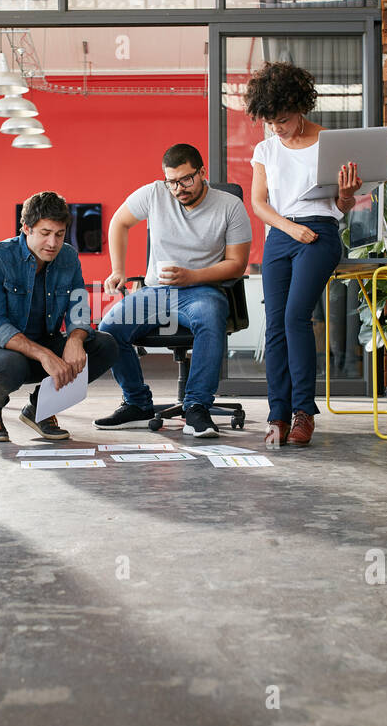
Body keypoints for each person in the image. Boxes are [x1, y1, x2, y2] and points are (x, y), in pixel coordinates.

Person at [94, 144, 252, 438]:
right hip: (156, 291)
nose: (178, 189)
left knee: (210, 317)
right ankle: (138, 404)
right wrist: (117, 269)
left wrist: (192, 276)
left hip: (202, 289)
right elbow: (119, 222)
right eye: (172, 182)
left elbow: (237, 265)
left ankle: (196, 408)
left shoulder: (230, 206)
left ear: (202, 172)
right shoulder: (155, 193)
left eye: (185, 180)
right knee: (109, 328)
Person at [247, 62, 363, 447]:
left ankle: (303, 412)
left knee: (297, 317)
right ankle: (277, 414)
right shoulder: (266, 149)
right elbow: (259, 204)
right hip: (282, 235)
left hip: (321, 233)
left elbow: (341, 206)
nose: (277, 128)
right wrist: (289, 227)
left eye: (282, 119)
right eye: (270, 121)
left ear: (300, 107)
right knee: (275, 323)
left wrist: (347, 194)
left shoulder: (330, 143)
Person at [0, 191, 119, 443]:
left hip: (43, 342)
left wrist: (75, 340)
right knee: (11, 363)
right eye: (45, 233)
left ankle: (40, 409)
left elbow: (79, 311)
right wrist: (46, 355)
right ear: (26, 228)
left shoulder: (68, 257)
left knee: (106, 344)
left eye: (59, 234)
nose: (53, 243)